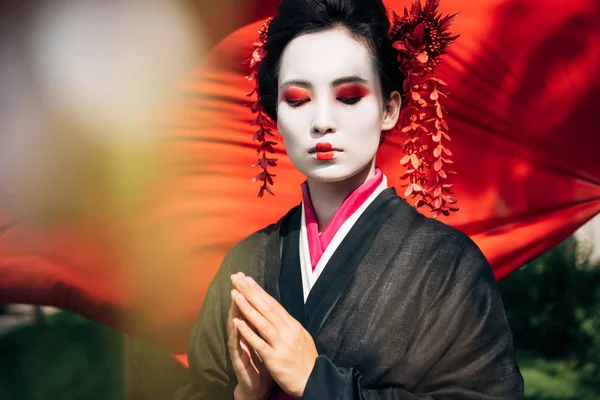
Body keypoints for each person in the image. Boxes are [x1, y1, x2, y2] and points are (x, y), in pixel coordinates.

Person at [174, 0, 524, 398]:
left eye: (349, 96)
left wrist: (316, 382)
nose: (322, 120)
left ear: (389, 108)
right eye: (298, 99)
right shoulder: (245, 263)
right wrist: (243, 395)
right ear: (275, 115)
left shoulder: (450, 266)